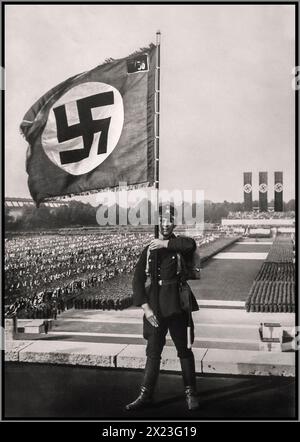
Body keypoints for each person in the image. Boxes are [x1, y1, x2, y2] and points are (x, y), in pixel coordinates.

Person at [125, 203, 200, 412]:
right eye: (162, 220)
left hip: (177, 306)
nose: (166, 224)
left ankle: (191, 393)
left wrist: (164, 244)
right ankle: (145, 395)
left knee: (184, 350)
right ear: (157, 222)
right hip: (155, 308)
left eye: (169, 220)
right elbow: (137, 281)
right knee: (153, 353)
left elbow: (190, 245)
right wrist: (146, 309)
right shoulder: (148, 249)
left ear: (174, 223)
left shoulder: (178, 245)